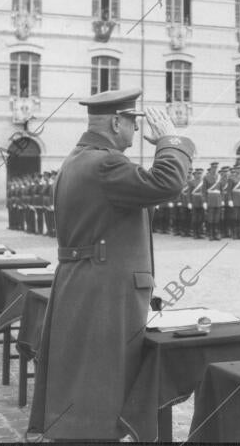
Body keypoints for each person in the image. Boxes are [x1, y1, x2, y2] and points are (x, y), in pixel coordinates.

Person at [27, 88, 195, 442]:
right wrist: (170, 140)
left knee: (82, 378)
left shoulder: (77, 159)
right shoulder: (106, 163)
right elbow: (167, 182)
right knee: (102, 382)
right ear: (116, 122)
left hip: (84, 282)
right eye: (132, 122)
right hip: (104, 291)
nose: (136, 131)